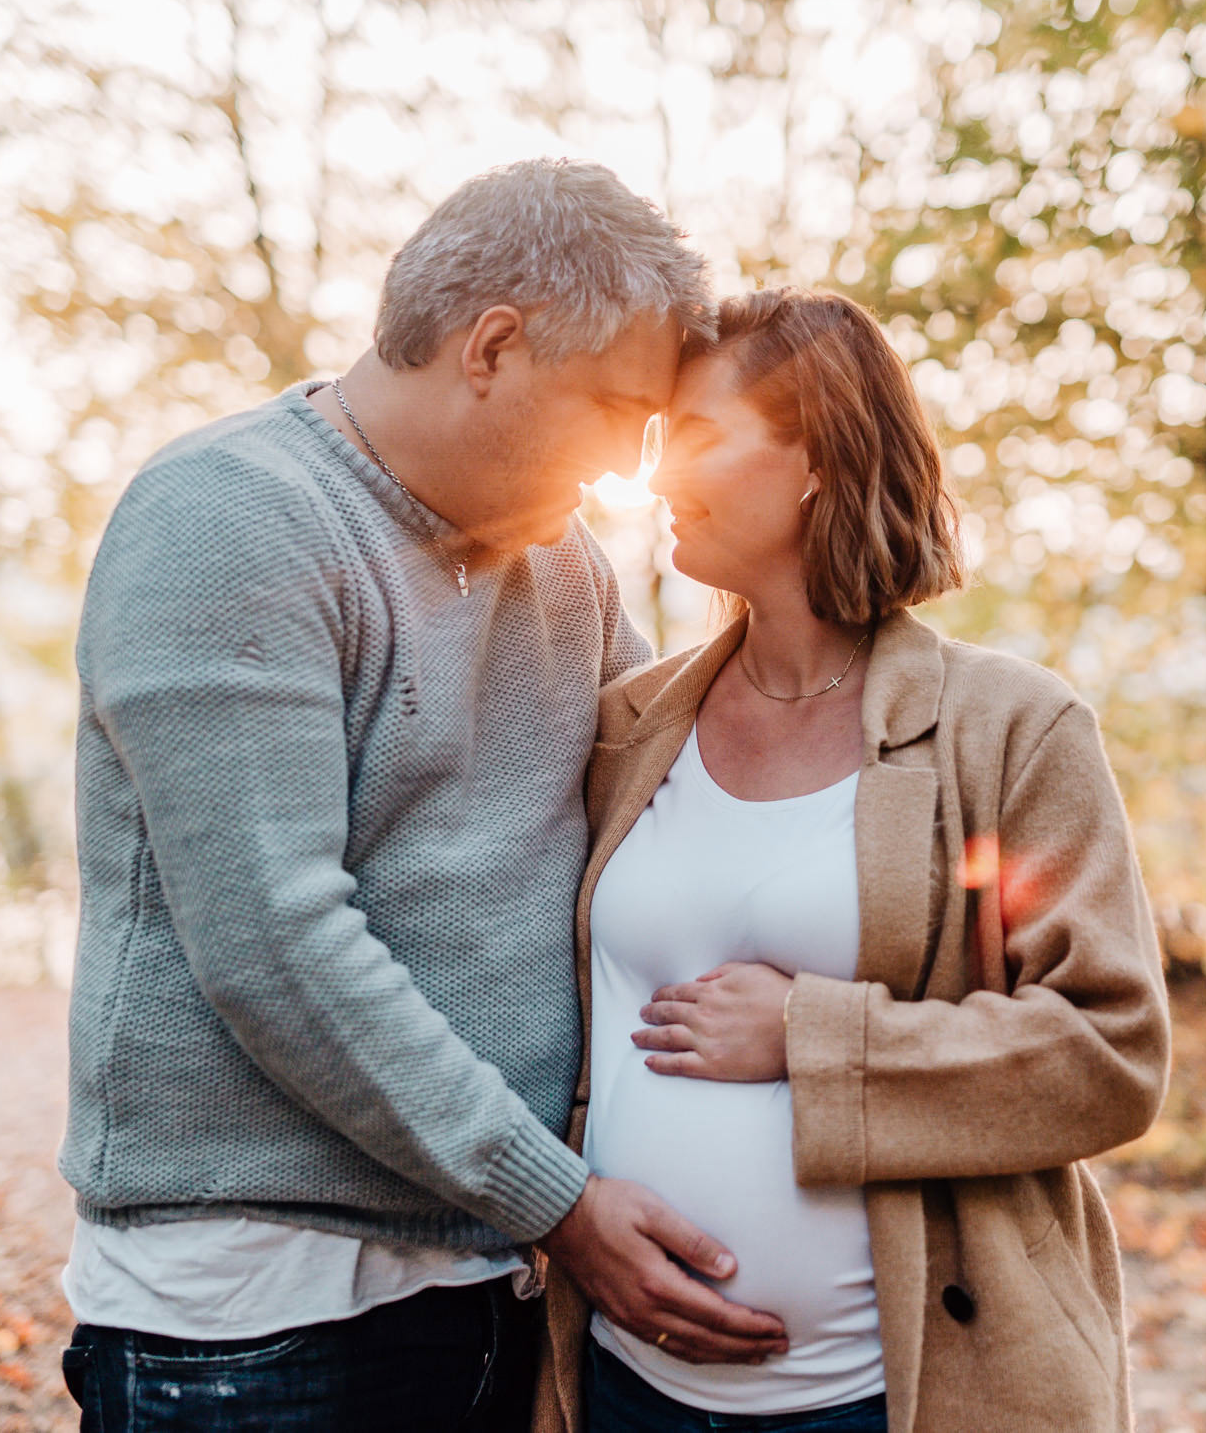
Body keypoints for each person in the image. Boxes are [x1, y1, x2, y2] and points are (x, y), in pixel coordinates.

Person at [57, 158, 788, 1433]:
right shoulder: (230, 520)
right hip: (255, 1312)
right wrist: (558, 1200)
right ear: (492, 347)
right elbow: (277, 944)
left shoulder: (562, 567)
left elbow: (680, 802)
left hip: (493, 1279)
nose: (632, 466)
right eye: (619, 410)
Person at [536, 288, 1173, 1433]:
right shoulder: (628, 726)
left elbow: (1109, 1052)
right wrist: (561, 1212)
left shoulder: (1010, 731)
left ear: (820, 457)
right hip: (627, 1385)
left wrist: (810, 1037)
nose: (658, 474)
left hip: (887, 1398)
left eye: (696, 435)